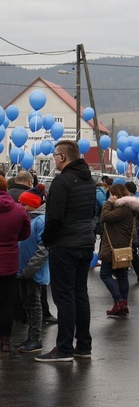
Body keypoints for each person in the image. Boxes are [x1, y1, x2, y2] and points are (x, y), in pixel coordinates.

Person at [37, 140, 96, 362]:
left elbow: (55, 217)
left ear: (62, 157)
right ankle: (83, 345)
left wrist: (46, 239)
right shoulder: (89, 181)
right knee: (80, 295)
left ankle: (63, 348)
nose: (53, 159)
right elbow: (90, 213)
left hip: (65, 244)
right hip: (85, 243)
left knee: (64, 298)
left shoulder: (62, 181)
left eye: (55, 155)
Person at [99, 183, 139, 316]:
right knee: (122, 275)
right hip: (122, 246)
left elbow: (105, 217)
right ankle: (123, 304)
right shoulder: (130, 208)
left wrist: (108, 203)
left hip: (114, 248)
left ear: (115, 195)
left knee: (105, 274)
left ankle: (119, 301)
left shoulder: (122, 209)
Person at [0, 176, 32, 355]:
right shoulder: (19, 210)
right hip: (9, 262)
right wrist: (12, 240)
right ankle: (5, 342)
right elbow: (26, 233)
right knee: (6, 303)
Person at [15, 188, 48, 353]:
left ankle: (36, 339)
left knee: (34, 305)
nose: (20, 206)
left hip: (33, 271)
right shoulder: (28, 218)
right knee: (27, 303)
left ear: (33, 204)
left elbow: (43, 249)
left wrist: (30, 268)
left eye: (24, 203)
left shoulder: (41, 221)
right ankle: (30, 337)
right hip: (23, 270)